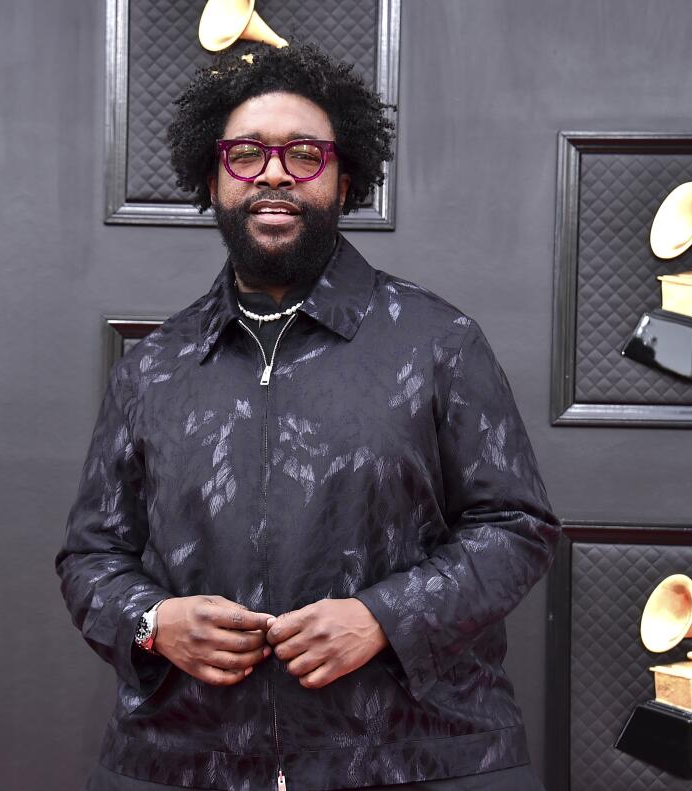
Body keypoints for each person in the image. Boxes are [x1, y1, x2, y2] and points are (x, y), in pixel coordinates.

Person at [57, 43, 560, 791]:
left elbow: (517, 526)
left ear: (344, 177)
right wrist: (154, 621)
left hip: (422, 754)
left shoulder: (437, 340)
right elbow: (91, 557)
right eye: (246, 154)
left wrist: (385, 617)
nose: (273, 172)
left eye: (304, 154)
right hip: (180, 759)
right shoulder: (153, 365)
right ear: (212, 176)